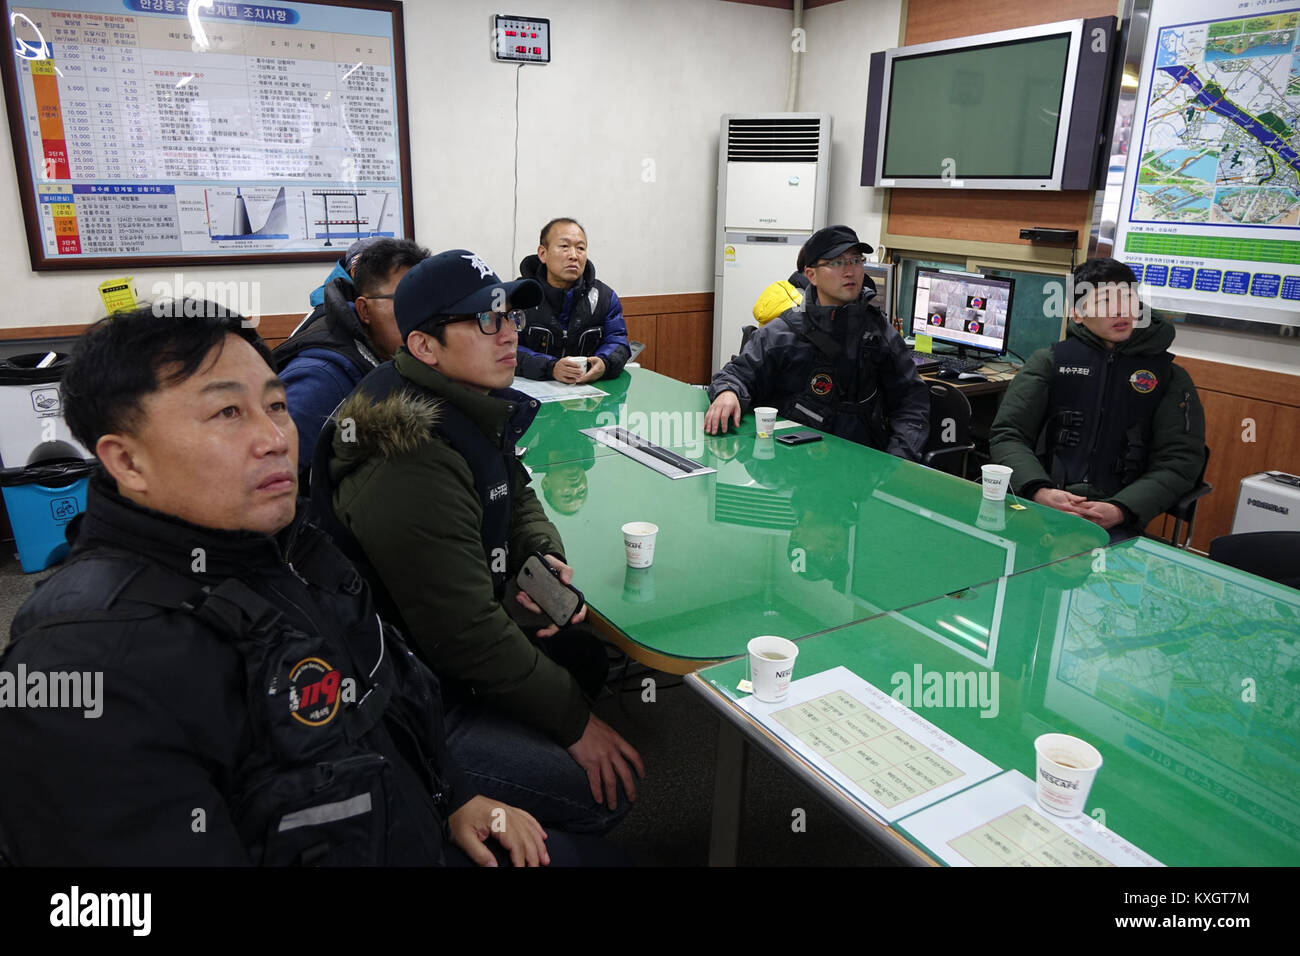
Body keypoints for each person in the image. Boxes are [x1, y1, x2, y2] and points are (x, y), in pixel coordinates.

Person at [0, 302, 595, 867]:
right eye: (228, 413)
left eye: (277, 406)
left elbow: (391, 688)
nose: (276, 439)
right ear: (126, 462)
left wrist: (455, 794)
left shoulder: (288, 545)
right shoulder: (83, 664)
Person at [323, 250, 645, 833]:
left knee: (583, 656)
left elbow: (513, 486)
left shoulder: (454, 398)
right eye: (485, 321)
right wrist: (575, 725)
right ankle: (441, 799)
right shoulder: (406, 454)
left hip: (441, 648)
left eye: (510, 318)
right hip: (401, 692)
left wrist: (535, 550)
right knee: (606, 794)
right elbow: (463, 632)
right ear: (425, 346)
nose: (508, 336)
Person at [989, 258, 1206, 542]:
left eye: (1128, 298)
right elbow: (1008, 434)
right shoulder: (1049, 362)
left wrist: (1121, 509)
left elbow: (1179, 461)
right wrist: (1038, 490)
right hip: (1038, 510)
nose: (1120, 310)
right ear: (1078, 314)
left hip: (1120, 522)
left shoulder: (1169, 376)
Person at [706, 225, 930, 461]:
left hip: (861, 471)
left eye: (856, 261)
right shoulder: (783, 333)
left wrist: (897, 463)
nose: (850, 271)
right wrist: (728, 392)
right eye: (837, 263)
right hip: (792, 466)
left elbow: (912, 404)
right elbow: (737, 374)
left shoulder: (879, 333)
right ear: (811, 275)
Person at [276, 239, 428, 475]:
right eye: (404, 301)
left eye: (427, 304)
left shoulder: (390, 354)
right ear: (364, 310)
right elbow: (263, 477)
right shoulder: (323, 377)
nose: (421, 318)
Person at [515, 218, 630, 383]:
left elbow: (617, 341)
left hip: (588, 394)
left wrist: (605, 363)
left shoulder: (604, 297)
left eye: (580, 248)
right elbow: (504, 349)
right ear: (543, 253)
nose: (574, 256)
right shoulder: (518, 297)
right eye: (564, 246)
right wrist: (550, 367)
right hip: (531, 393)